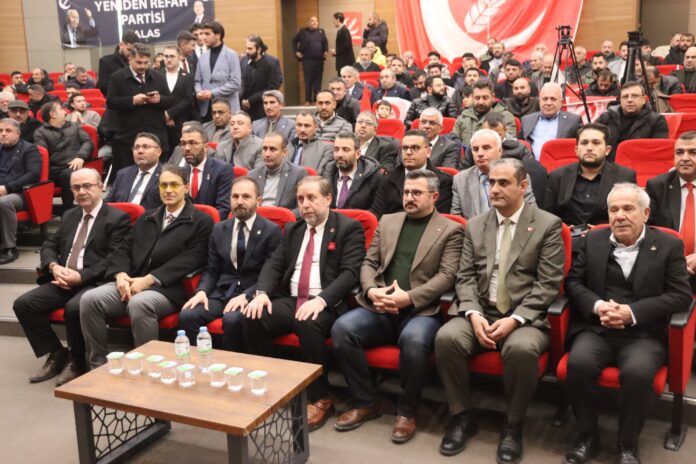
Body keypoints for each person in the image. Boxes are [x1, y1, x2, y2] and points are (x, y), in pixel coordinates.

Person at [435, 157, 565, 460]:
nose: (494, 189)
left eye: (503, 183)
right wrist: (473, 313)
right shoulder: (476, 224)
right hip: (482, 309)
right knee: (446, 338)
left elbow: (547, 284)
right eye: (491, 182)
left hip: (526, 315)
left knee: (521, 349)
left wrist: (516, 319)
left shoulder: (547, 224)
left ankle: (513, 424)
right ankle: (463, 415)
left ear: (523, 185)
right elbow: (465, 276)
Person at [563, 183, 692, 464]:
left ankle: (628, 443)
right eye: (613, 209)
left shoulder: (669, 245)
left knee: (637, 373)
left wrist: (632, 312)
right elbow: (573, 283)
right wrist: (598, 307)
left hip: (643, 333)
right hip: (598, 327)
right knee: (578, 364)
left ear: (645, 213)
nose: (619, 215)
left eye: (628, 208)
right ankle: (587, 435)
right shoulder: (592, 240)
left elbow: (681, 295)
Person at [332, 169, 463, 442]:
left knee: (414, 340)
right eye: (406, 192)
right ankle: (366, 400)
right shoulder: (388, 221)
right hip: (380, 306)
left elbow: (447, 276)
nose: (409, 197)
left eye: (416, 193)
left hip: (420, 310)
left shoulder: (451, 229)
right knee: (342, 329)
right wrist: (371, 290)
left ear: (434, 197)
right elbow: (369, 262)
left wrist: (409, 297)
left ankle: (407, 410)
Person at [242, 176, 366, 431]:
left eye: (311, 198)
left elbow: (350, 273)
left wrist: (322, 300)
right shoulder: (293, 230)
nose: (305, 204)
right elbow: (274, 264)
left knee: (307, 322)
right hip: (292, 298)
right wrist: (262, 293)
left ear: (328, 198)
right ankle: (276, 384)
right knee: (252, 316)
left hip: (327, 302)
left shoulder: (348, 227)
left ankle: (320, 397)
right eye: (300, 199)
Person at [80, 164, 214, 368]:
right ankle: (97, 365)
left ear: (186, 188)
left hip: (170, 289)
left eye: (174, 185)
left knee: (140, 303)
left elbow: (193, 259)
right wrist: (120, 274)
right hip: (132, 282)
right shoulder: (147, 217)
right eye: (163, 185)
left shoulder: (201, 221)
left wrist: (150, 280)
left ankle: (150, 367)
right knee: (90, 300)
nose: (168, 190)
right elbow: (123, 249)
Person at [13, 168, 129, 385]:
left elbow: (113, 259)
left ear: (101, 187)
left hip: (94, 282)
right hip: (63, 278)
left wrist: (80, 277)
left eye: (87, 186)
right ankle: (56, 352)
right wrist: (53, 266)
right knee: (24, 304)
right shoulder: (70, 215)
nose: (82, 192)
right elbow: (50, 245)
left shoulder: (117, 218)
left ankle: (76, 360)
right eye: (76, 188)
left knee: (74, 308)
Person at [179, 176, 281, 350]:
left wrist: (248, 295)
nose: (239, 201)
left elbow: (271, 273)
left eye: (246, 197)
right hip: (222, 292)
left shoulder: (271, 230)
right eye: (235, 196)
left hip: (252, 293)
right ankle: (202, 361)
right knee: (188, 315)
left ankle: (231, 364)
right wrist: (201, 291)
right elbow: (212, 269)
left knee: (233, 319)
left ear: (258, 201)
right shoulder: (219, 229)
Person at [544, 123, 636, 231]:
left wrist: (602, 230)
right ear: (576, 150)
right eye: (584, 143)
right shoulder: (558, 176)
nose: (589, 148)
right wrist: (563, 229)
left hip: (608, 236)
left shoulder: (624, 176)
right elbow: (547, 215)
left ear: (607, 150)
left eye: (596, 143)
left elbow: (631, 215)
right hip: (568, 237)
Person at [107, 43, 174, 175]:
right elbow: (111, 102)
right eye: (139, 62)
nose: (143, 66)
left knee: (159, 176)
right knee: (129, 176)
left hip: (156, 135)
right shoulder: (117, 77)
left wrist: (159, 99)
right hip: (128, 137)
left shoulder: (158, 77)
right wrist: (132, 100)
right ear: (130, 59)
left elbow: (170, 100)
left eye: (146, 63)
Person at [646, 131, 696, 286]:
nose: (685, 158)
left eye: (693, 152)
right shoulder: (657, 186)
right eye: (679, 152)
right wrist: (674, 262)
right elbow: (647, 231)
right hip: (667, 268)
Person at [453, 129, 536, 218]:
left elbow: (532, 215)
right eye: (475, 149)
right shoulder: (460, 179)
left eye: (486, 148)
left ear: (500, 150)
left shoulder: (518, 175)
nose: (480, 153)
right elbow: (456, 219)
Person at [371, 129, 452, 218]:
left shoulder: (443, 181)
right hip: (391, 226)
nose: (408, 152)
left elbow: (438, 218)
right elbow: (377, 215)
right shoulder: (387, 180)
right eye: (405, 148)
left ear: (428, 152)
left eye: (415, 148)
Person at [33, 101, 94, 211]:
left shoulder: (74, 126)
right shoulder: (40, 132)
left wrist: (80, 156)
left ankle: (68, 210)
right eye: (60, 109)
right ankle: (42, 213)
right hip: (54, 169)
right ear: (53, 114)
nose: (65, 111)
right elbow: (42, 155)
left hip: (74, 166)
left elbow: (88, 142)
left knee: (67, 174)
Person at [0, 118, 42, 264]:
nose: (3, 134)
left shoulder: (29, 149)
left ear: (18, 133)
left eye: (8, 130)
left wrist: (7, 188)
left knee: (3, 202)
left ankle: (10, 248)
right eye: (0, 131)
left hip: (21, 193)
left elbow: (33, 174)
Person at [596, 81, 669, 161]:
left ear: (644, 99)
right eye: (625, 97)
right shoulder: (606, 118)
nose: (629, 100)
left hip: (640, 164)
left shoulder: (657, 121)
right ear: (620, 100)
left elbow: (658, 153)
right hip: (607, 165)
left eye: (634, 96)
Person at [180, 125, 234, 220]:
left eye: (192, 143)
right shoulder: (180, 172)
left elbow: (224, 209)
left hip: (211, 225)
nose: (187, 148)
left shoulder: (223, 170)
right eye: (183, 144)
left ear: (206, 147)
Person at [521, 83, 582, 160]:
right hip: (531, 165)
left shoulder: (573, 121)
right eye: (545, 99)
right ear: (539, 101)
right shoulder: (526, 120)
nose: (548, 103)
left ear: (561, 102)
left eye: (553, 99)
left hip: (560, 165)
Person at [194, 21, 242, 119]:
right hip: (207, 110)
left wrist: (212, 93)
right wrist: (199, 92)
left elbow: (235, 83)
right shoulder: (202, 57)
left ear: (218, 35)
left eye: (207, 34)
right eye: (203, 34)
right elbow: (197, 81)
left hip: (227, 109)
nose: (203, 37)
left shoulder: (231, 55)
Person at [104, 132, 164, 211]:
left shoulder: (166, 175)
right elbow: (108, 202)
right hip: (120, 217)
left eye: (145, 147)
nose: (140, 151)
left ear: (158, 152)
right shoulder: (123, 174)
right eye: (136, 147)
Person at [322, 132, 381, 210]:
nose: (339, 155)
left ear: (357, 154)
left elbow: (375, 211)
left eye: (345, 150)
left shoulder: (374, 177)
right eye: (336, 149)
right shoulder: (326, 173)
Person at [248, 132, 308, 209]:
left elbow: (302, 207)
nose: (267, 154)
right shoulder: (252, 175)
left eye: (272, 149)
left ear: (284, 152)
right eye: (265, 149)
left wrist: (284, 215)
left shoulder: (298, 174)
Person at [454, 80, 516, 147]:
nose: (481, 102)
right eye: (477, 98)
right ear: (472, 97)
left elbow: (509, 144)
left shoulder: (505, 117)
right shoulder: (462, 118)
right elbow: (453, 141)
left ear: (493, 97)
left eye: (485, 98)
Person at [241, 36, 282, 121]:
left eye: (250, 49)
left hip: (262, 108)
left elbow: (272, 87)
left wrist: (250, 100)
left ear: (259, 49)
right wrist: (243, 100)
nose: (247, 51)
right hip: (246, 109)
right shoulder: (245, 63)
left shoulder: (270, 64)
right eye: (246, 48)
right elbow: (243, 83)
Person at [293, 16, 329, 105]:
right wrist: (296, 52)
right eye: (312, 21)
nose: (315, 22)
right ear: (308, 23)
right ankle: (308, 100)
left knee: (318, 81)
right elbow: (294, 41)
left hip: (319, 60)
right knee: (308, 80)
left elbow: (325, 42)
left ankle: (317, 99)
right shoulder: (303, 31)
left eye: (316, 21)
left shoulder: (321, 31)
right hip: (307, 60)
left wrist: (325, 50)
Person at [97, 31, 139, 96]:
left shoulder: (138, 62)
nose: (131, 53)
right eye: (128, 49)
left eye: (133, 51)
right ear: (121, 44)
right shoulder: (106, 61)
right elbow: (104, 87)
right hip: (117, 100)